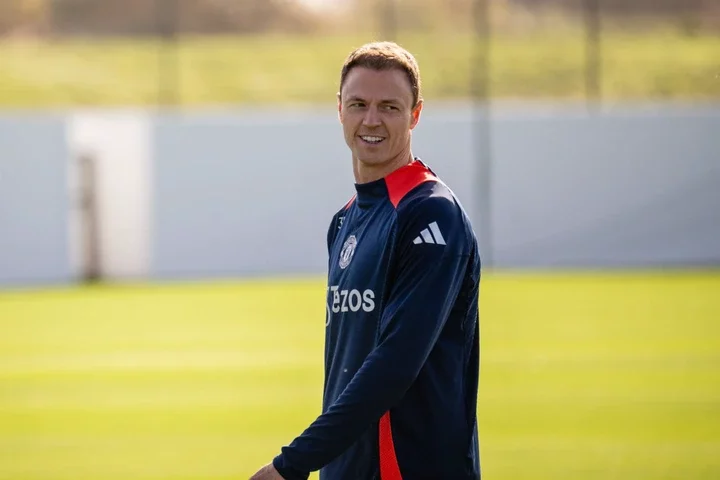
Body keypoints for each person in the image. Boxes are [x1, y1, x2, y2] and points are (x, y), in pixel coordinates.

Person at [250, 41, 482, 480]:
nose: (371, 120)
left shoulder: (430, 213)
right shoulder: (344, 221)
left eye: (389, 107)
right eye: (358, 104)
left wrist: (291, 464)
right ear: (339, 109)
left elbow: (394, 363)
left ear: (415, 115)